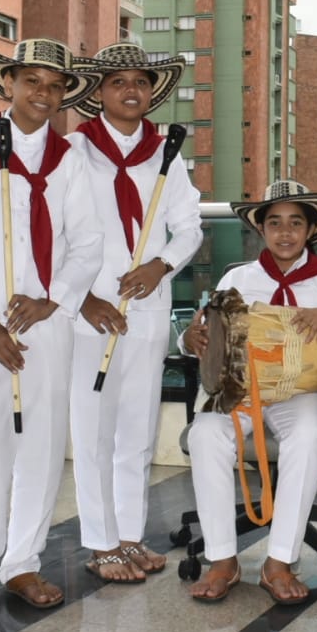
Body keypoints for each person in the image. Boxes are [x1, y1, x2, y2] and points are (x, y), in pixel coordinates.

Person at [0, 39, 104, 617]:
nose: (43, 93)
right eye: (31, 80)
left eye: (54, 85)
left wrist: (53, 300)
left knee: (40, 444)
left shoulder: (70, 159)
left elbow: (88, 243)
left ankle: (23, 562)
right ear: (8, 83)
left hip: (47, 321)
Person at [181, 181, 317, 604]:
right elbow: (207, 327)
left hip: (303, 393)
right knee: (204, 434)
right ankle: (222, 559)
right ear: (262, 230)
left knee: (306, 437)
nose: (285, 233)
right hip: (242, 388)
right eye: (275, 223)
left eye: (295, 223)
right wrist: (190, 340)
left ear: (310, 230)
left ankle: (279, 560)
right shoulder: (239, 276)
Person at [67, 43, 201, 584]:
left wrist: (160, 266)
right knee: (93, 430)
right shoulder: (73, 151)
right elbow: (52, 232)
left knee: (138, 429)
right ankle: (100, 543)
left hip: (147, 306)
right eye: (118, 81)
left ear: (152, 91)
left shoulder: (166, 151)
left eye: (141, 82)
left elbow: (189, 225)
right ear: (99, 92)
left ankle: (129, 536)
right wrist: (82, 297)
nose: (131, 91)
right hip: (89, 310)